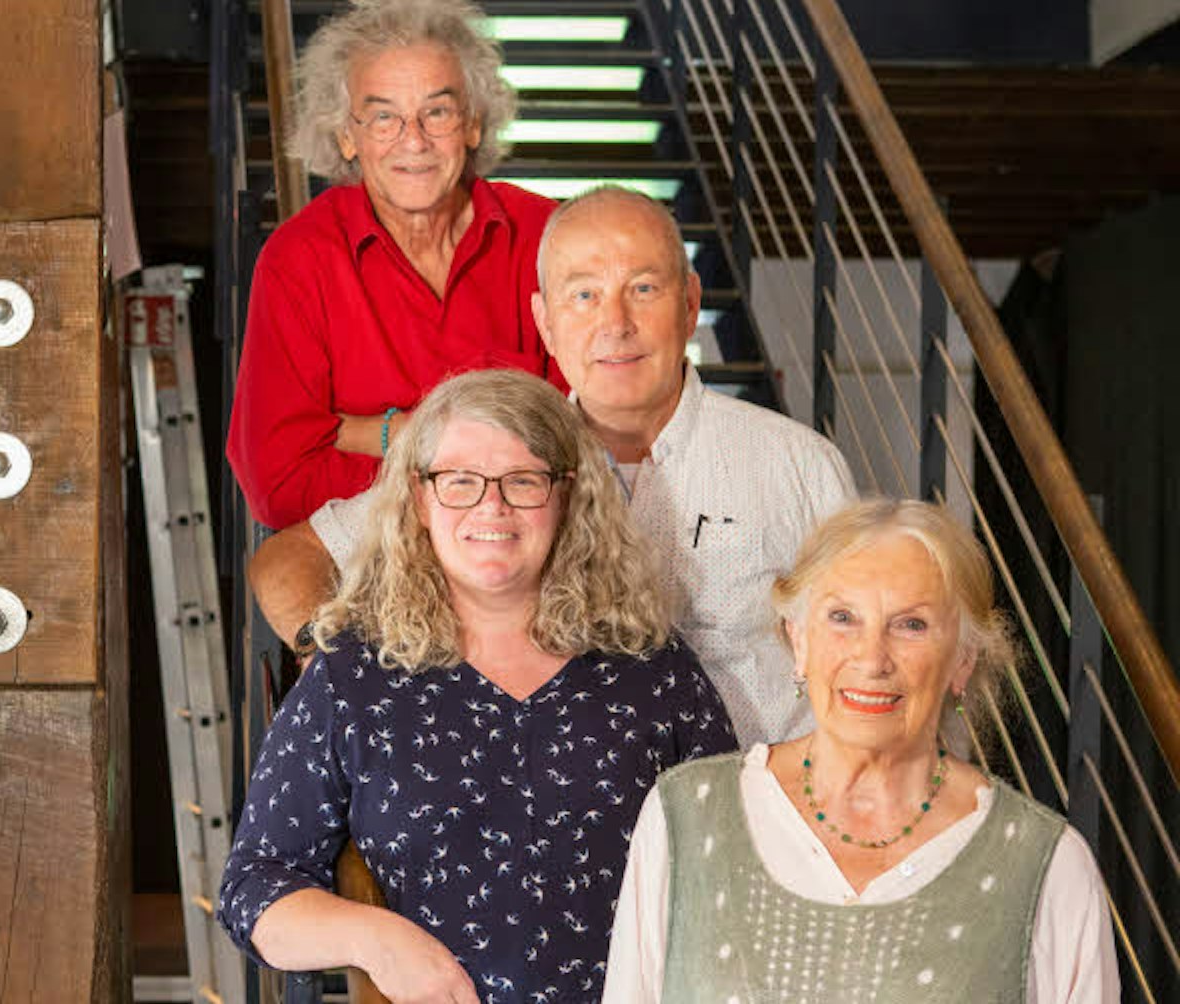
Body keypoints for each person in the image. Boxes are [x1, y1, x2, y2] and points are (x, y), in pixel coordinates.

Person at [251, 186, 855, 746]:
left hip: (748, 808)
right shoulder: (491, 461)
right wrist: (335, 663)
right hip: (557, 813)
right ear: (545, 321)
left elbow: (866, 652)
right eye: (584, 295)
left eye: (644, 289)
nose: (615, 324)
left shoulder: (796, 466)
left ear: (691, 303)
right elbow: (286, 561)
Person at [218, 369, 738, 1004]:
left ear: (568, 496)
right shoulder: (355, 677)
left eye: (523, 480)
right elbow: (253, 889)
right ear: (420, 499)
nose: (492, 507)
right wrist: (379, 941)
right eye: (459, 481)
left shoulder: (654, 670)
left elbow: (734, 869)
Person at [602, 499, 1119, 1004]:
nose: (872, 659)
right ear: (799, 641)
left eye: (911, 625)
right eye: (843, 617)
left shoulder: (1046, 865)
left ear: (963, 660)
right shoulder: (686, 818)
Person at [225, 0, 567, 531]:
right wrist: (481, 472)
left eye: (438, 112)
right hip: (368, 553)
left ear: (473, 123)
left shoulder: (547, 236)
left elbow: (585, 441)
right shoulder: (299, 258)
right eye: (384, 117)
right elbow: (279, 484)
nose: (413, 140)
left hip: (527, 547)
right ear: (347, 135)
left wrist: (377, 434)